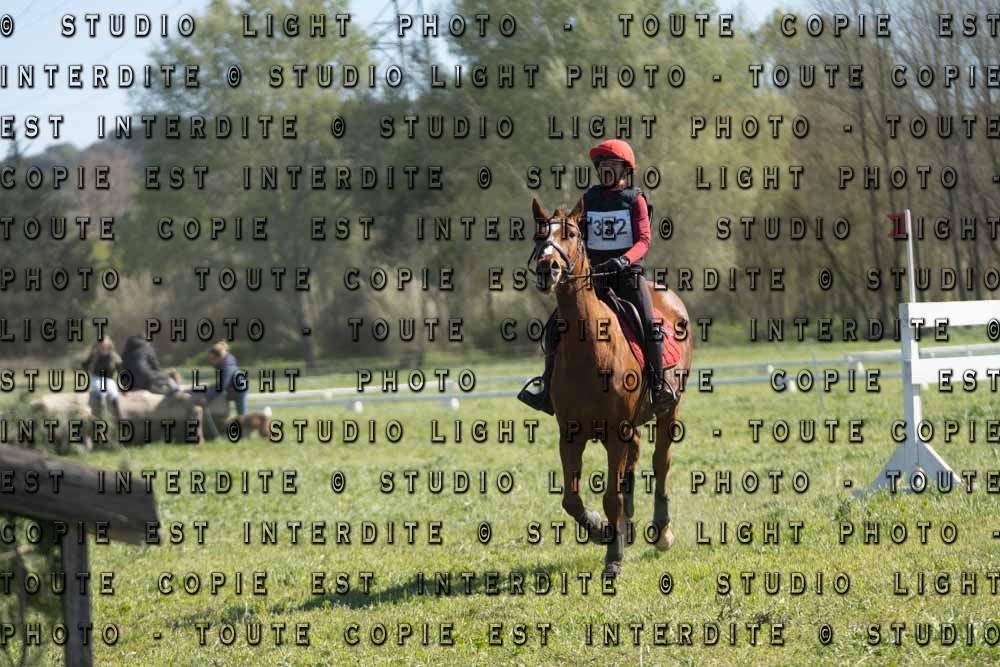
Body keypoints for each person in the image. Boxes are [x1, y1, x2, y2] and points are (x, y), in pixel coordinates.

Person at [518, 139, 669, 414]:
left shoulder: (635, 199)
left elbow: (644, 240)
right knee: (553, 328)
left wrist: (623, 260)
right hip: (594, 278)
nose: (606, 170)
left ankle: (658, 388)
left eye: (612, 165)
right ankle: (546, 389)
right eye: (602, 166)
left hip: (627, 276)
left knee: (650, 326)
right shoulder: (589, 200)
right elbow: (575, 236)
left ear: (624, 170)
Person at [193, 341, 248, 417]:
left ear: (218, 358)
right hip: (235, 388)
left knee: (241, 416)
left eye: (212, 359)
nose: (210, 361)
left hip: (239, 391)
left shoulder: (227, 367)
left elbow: (222, 386)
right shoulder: (226, 361)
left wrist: (207, 398)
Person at [83, 337, 122, 421]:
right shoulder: (94, 355)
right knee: (101, 392)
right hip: (97, 378)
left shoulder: (114, 356)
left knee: (113, 393)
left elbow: (121, 370)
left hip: (109, 380)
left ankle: (117, 418)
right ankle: (100, 416)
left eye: (106, 344)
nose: (104, 346)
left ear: (109, 345)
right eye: (102, 345)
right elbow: (84, 366)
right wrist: (90, 355)